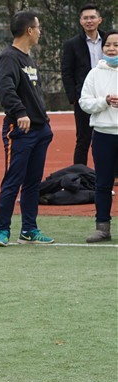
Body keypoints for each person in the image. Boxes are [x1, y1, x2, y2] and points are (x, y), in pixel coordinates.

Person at [0, 10, 54, 246]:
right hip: (20, 131)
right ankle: (2, 231)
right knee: (13, 180)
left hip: (40, 130)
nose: (40, 32)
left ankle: (29, 229)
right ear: (29, 30)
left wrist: (43, 119)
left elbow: (34, 94)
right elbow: (6, 90)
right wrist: (20, 113)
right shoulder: (9, 57)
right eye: (38, 27)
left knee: (32, 182)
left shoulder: (29, 59)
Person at [78, 29, 118, 243]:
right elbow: (84, 102)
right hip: (103, 135)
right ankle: (103, 228)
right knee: (102, 183)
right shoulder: (94, 73)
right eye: (108, 45)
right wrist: (104, 101)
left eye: (116, 45)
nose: (111, 49)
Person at [61, 5, 104, 166]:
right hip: (84, 98)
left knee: (110, 137)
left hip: (107, 96)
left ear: (99, 20)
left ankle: (112, 174)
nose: (89, 21)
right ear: (80, 21)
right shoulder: (72, 44)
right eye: (85, 18)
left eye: (92, 17)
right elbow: (67, 72)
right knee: (83, 140)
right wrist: (74, 98)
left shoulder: (109, 40)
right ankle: (79, 174)